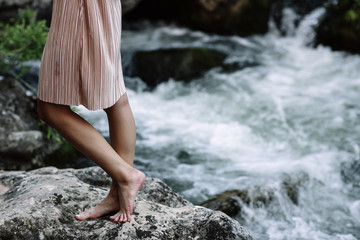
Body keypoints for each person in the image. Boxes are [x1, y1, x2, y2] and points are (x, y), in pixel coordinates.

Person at [36, 0, 145, 223]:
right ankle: (117, 193)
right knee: (115, 97)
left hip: (81, 8)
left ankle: (126, 176)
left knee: (50, 108)